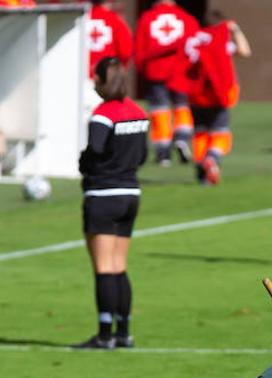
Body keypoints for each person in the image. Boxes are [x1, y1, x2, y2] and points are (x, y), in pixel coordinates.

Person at [75, 57, 148, 350]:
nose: (94, 82)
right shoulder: (138, 112)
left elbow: (95, 150)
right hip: (131, 195)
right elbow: (142, 155)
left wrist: (84, 165)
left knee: (104, 267)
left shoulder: (103, 114)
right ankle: (124, 332)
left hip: (103, 195)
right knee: (119, 266)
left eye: (96, 77)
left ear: (105, 81)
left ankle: (104, 334)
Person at [184, 10, 250, 185]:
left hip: (195, 96)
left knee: (200, 134)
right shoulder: (221, 42)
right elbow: (245, 51)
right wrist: (235, 31)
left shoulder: (193, 40)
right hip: (217, 95)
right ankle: (212, 158)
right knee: (220, 132)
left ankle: (201, 174)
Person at [135, 0, 198, 166]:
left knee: (159, 111)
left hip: (156, 71)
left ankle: (163, 154)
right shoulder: (187, 19)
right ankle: (182, 138)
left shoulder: (147, 18)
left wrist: (143, 70)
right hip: (181, 71)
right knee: (182, 107)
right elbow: (195, 47)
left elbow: (139, 49)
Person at [87, 0, 133, 79]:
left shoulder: (80, 19)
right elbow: (126, 52)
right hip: (107, 78)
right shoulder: (114, 19)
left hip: (81, 77)